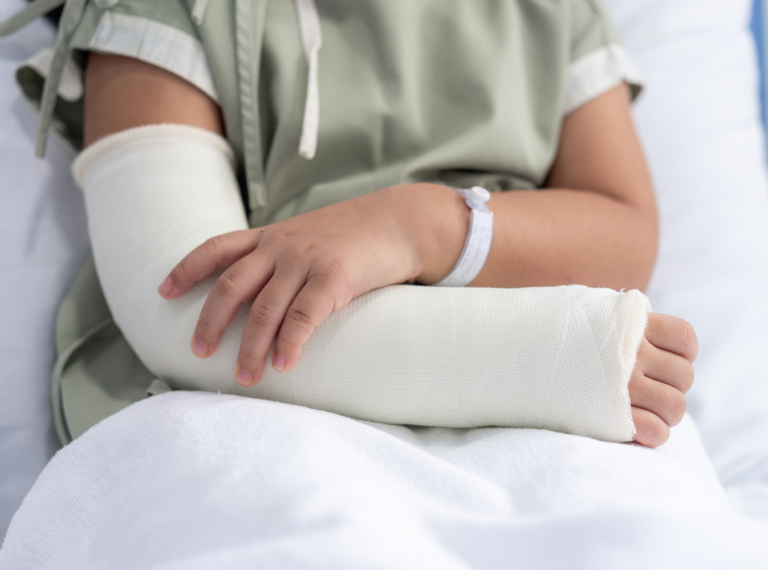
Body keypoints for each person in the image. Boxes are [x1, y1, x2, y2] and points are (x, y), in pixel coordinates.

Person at [3, 0, 696, 447]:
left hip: (562, 404)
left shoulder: (553, 12)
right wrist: (557, 359)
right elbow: (187, 315)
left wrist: (419, 226)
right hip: (250, 413)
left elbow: (624, 237)